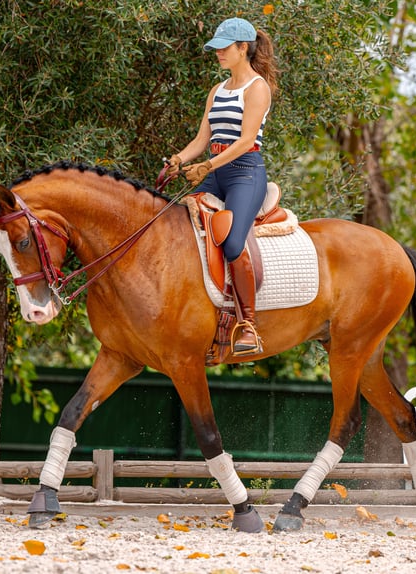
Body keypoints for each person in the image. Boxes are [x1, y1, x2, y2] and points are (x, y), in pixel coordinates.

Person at [165, 17, 278, 357]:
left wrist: (206, 167)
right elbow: (203, 138)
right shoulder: (218, 89)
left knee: (231, 243)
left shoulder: (258, 88)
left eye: (224, 48)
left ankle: (248, 325)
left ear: (243, 48)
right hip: (212, 171)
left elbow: (245, 142)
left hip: (245, 173)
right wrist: (178, 160)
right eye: (216, 49)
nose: (218, 54)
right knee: (178, 230)